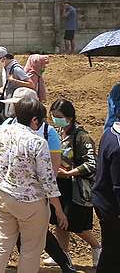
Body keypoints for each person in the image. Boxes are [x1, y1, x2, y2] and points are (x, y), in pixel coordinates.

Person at [0, 97, 68, 273]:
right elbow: (48, 180)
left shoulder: (2, 131)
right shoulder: (37, 142)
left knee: (2, 241)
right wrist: (58, 209)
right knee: (31, 250)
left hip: (2, 194)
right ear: (34, 119)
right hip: (30, 203)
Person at [50, 99, 101, 266]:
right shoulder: (57, 132)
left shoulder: (81, 137)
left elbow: (92, 163)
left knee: (75, 225)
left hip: (75, 188)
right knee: (60, 221)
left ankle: (96, 248)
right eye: (53, 116)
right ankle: (63, 256)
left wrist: (70, 173)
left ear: (70, 117)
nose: (55, 119)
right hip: (59, 185)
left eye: (59, 116)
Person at [93, 111, 120, 273]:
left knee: (111, 251)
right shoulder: (118, 145)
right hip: (113, 209)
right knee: (112, 254)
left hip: (103, 202)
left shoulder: (109, 133)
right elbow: (119, 187)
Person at [0, 47, 35, 117]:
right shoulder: (5, 68)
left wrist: (14, 80)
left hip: (16, 102)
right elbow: (7, 83)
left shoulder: (16, 69)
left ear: (3, 59)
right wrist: (1, 89)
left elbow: (31, 85)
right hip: (8, 99)